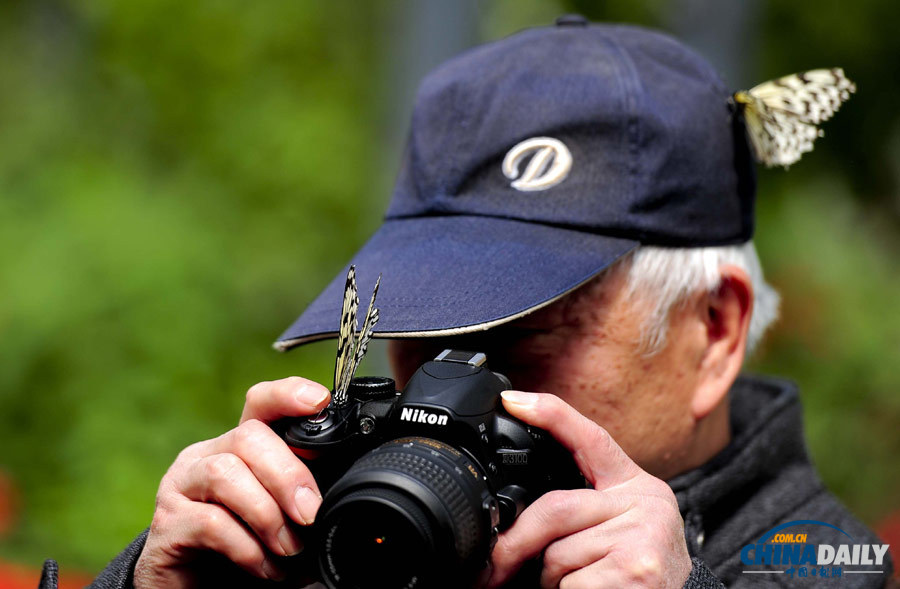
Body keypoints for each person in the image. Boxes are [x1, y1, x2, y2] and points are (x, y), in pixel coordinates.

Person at [40, 16, 893, 589]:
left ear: (714, 331)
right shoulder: (368, 536)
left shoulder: (825, 564)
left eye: (527, 335)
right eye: (429, 326)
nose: (452, 389)